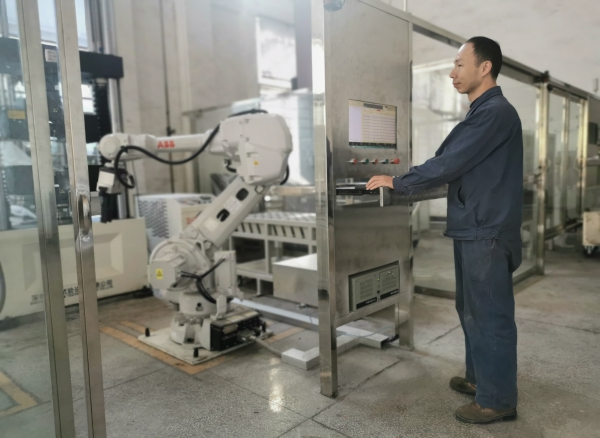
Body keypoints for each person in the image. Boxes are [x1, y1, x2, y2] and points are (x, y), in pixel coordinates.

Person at [366, 36, 523, 424]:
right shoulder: (481, 113)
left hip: (486, 231)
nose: (452, 73)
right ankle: (480, 380)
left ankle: (497, 400)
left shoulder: (494, 113)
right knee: (471, 310)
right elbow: (454, 162)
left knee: (489, 315)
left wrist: (399, 181)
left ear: (484, 67)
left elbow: (450, 162)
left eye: (459, 64)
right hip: (474, 227)